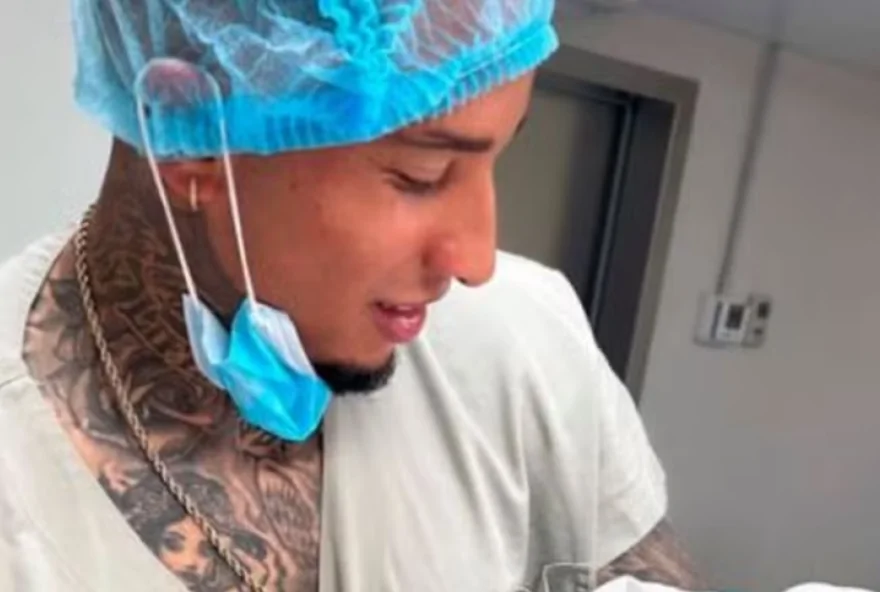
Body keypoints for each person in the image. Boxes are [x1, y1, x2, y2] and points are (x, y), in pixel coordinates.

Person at [0, 0, 704, 590]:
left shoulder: (526, 341)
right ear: (186, 129)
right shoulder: (20, 502)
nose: (476, 261)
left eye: (497, 157)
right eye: (422, 175)